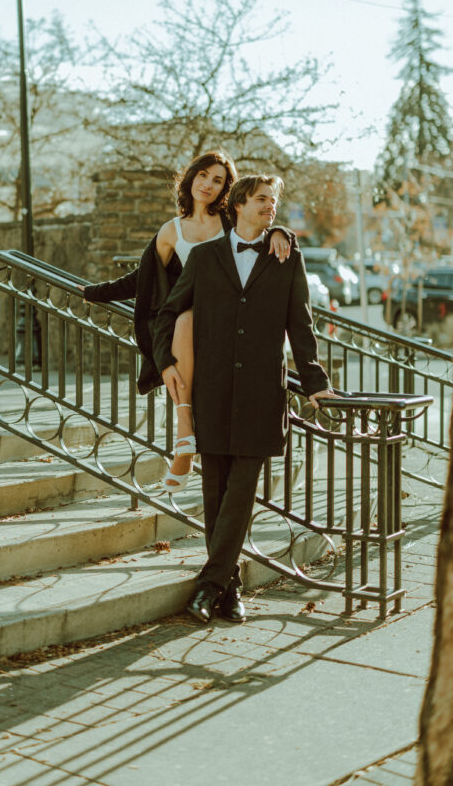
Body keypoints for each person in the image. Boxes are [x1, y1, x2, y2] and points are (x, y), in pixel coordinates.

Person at [152, 173, 335, 623]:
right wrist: (166, 362)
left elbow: (301, 323)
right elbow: (170, 310)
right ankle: (228, 591)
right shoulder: (207, 256)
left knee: (241, 489)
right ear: (237, 204)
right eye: (261, 199)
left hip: (259, 391)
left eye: (274, 200)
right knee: (215, 491)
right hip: (211, 389)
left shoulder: (286, 257)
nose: (270, 206)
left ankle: (208, 586)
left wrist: (314, 381)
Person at [78, 152, 292, 491]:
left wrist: (281, 230)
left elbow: (257, 226)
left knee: (186, 322)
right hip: (189, 317)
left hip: (231, 317)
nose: (208, 184)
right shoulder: (170, 231)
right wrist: (94, 292)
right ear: (190, 178)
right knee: (183, 320)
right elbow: (142, 278)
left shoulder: (229, 221)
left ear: (227, 189)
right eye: (203, 175)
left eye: (218, 180)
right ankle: (184, 434)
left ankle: (185, 442)